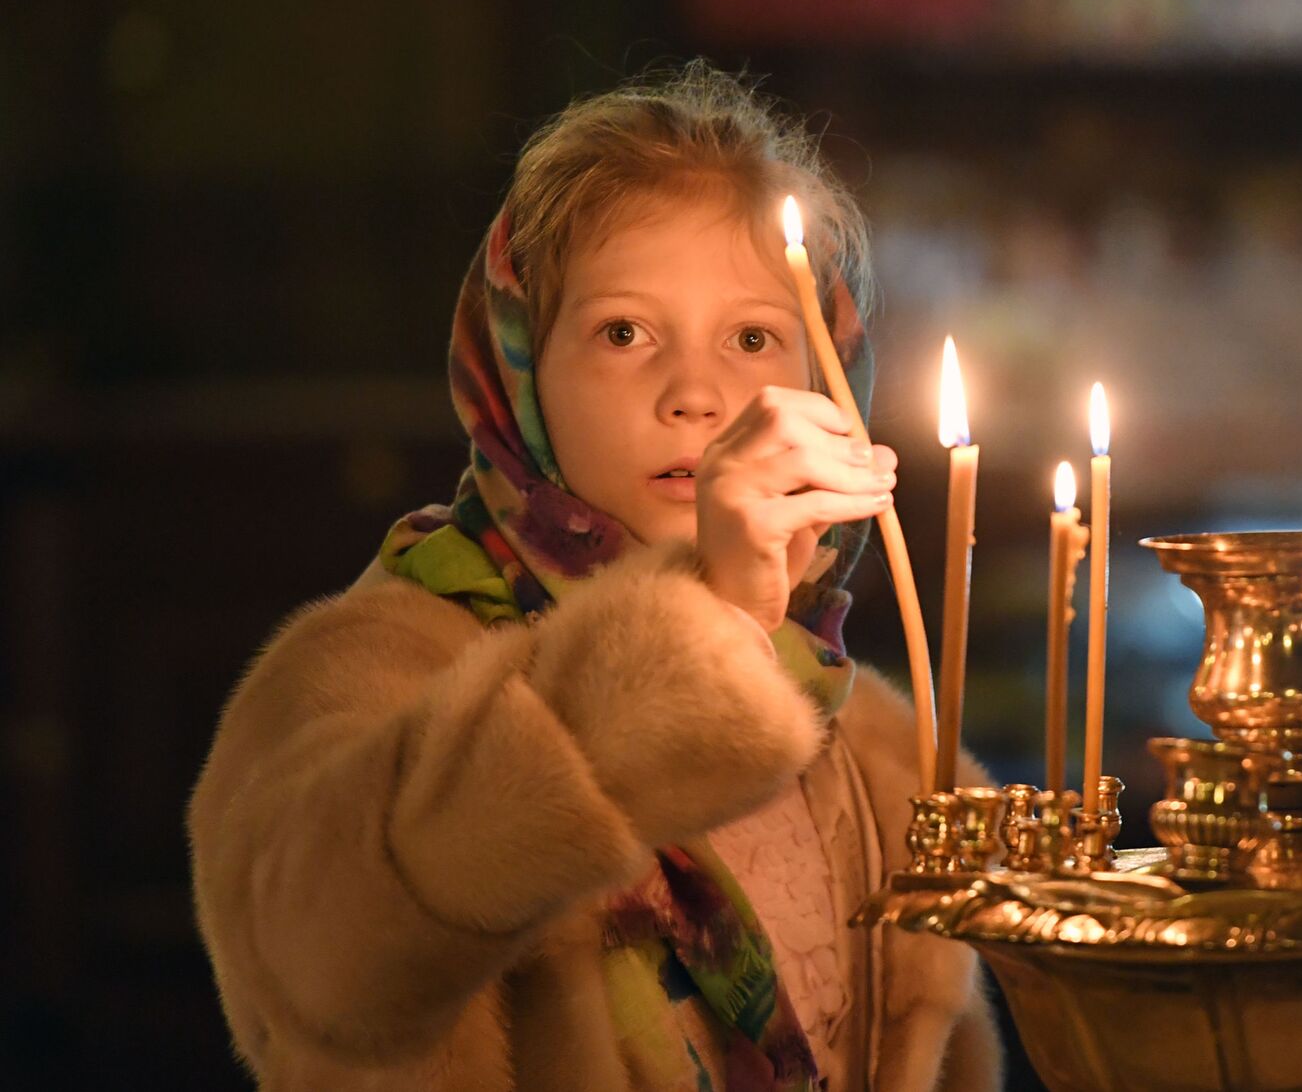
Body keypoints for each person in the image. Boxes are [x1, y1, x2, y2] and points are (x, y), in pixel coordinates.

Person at [188, 65, 1002, 1091]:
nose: (696, 394)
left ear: (829, 377)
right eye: (624, 333)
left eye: (752, 338)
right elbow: (322, 962)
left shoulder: (883, 750)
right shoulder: (370, 668)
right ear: (518, 371)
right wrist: (706, 629)